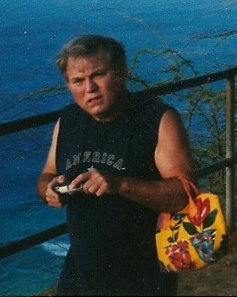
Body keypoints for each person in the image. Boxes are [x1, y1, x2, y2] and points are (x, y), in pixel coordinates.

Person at [37, 34, 195, 296]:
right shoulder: (68, 121)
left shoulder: (156, 120)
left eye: (98, 75)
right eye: (78, 80)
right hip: (79, 277)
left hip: (142, 279)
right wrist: (49, 189)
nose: (90, 88)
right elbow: (47, 175)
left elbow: (185, 195)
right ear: (68, 85)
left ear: (122, 73)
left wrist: (120, 184)